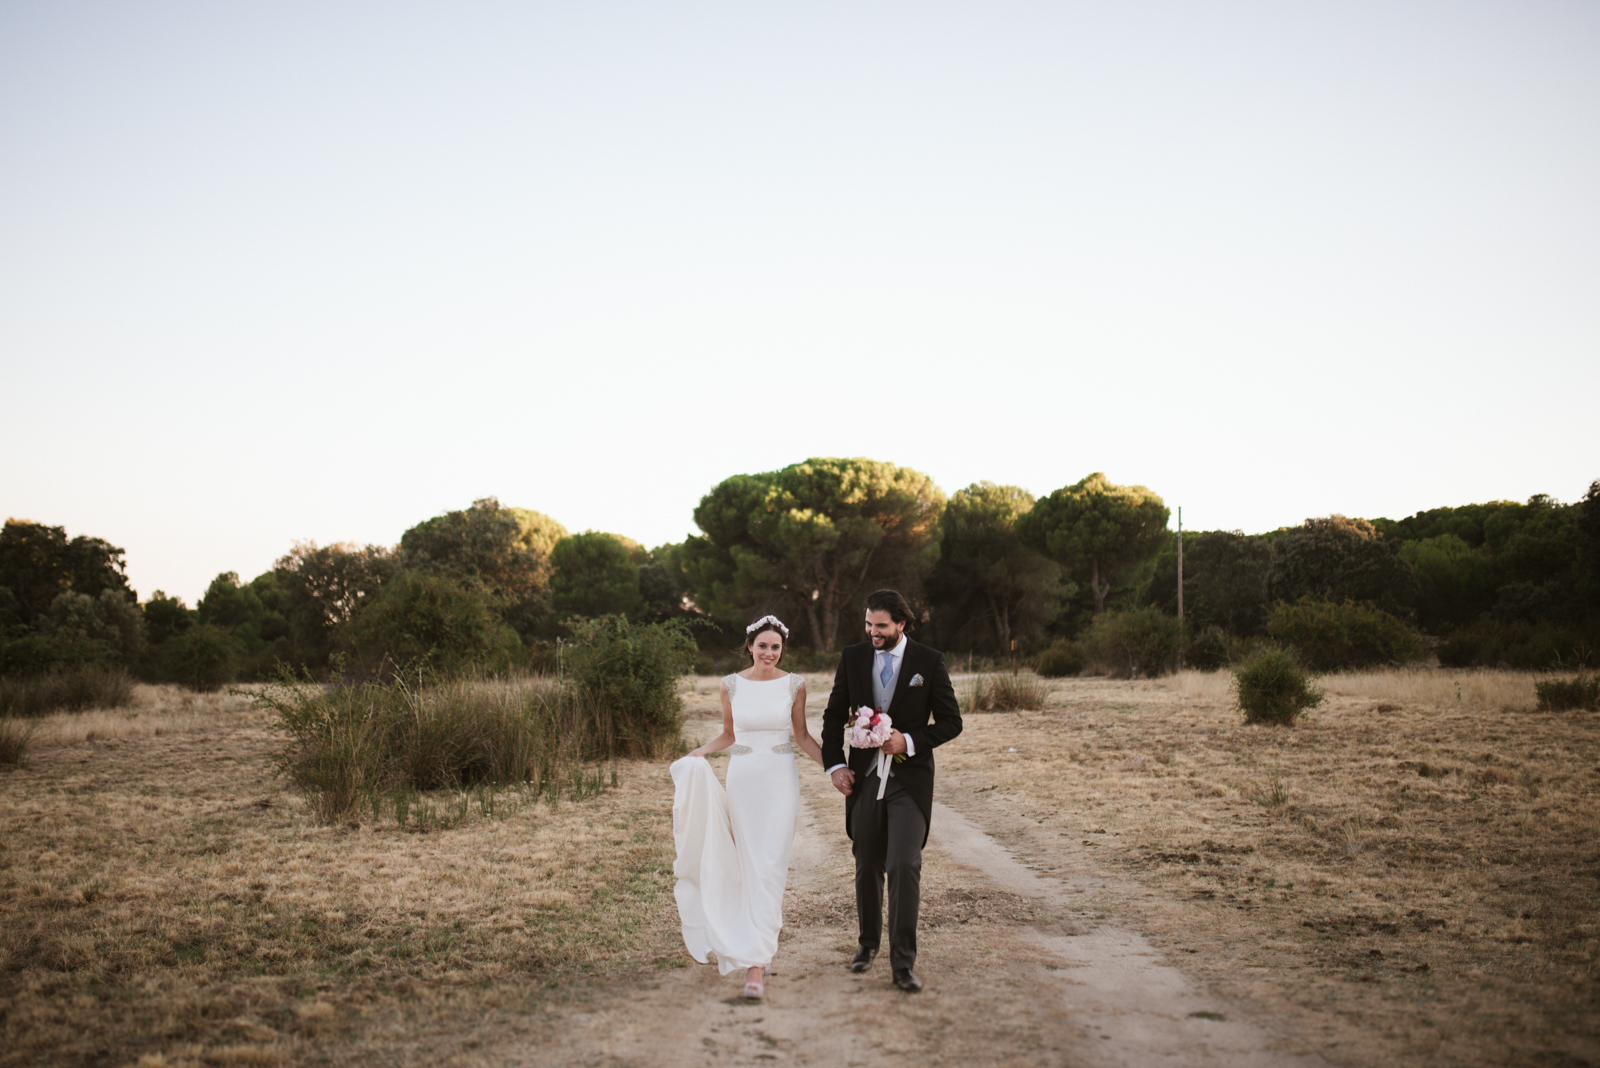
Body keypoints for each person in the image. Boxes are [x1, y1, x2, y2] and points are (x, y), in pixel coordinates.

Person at [669, 615, 825, 999]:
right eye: (763, 646)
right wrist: (698, 753)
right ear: (750, 647)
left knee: (770, 866)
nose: (769, 653)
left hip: (779, 779)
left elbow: (802, 737)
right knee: (749, 863)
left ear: (781, 649)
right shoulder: (730, 686)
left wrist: (835, 767)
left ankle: (755, 965)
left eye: (776, 647)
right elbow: (728, 734)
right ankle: (758, 949)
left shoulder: (795, 685)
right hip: (743, 779)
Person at [820, 589, 962, 993]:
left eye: (880, 625)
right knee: (867, 864)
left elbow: (952, 722)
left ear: (902, 624)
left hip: (910, 781)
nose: (872, 631)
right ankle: (867, 945)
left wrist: (909, 741)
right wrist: (835, 765)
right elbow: (833, 715)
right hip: (864, 777)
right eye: (868, 623)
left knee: (903, 864)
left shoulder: (928, 662)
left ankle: (903, 962)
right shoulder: (854, 657)